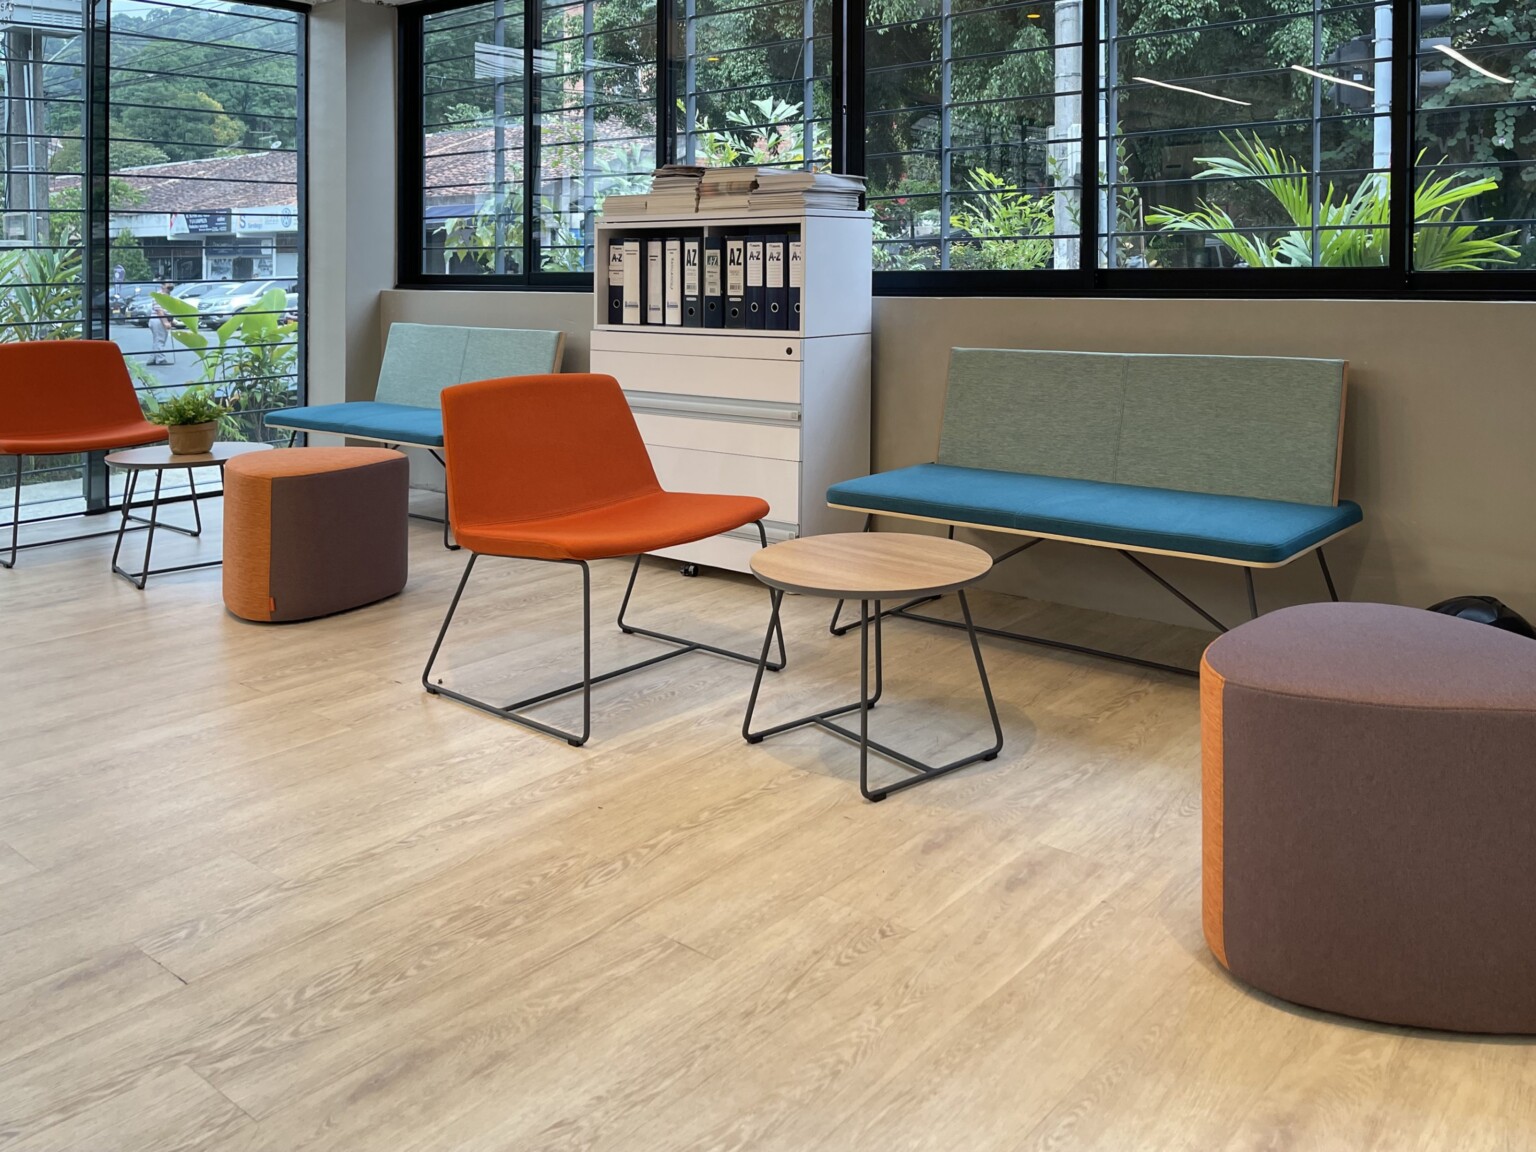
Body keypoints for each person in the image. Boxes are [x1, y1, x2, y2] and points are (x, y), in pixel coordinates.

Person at [151, 282, 175, 365]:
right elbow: (159, 310)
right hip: (159, 319)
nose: (171, 285)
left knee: (157, 339)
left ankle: (154, 358)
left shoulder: (167, 296)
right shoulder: (159, 296)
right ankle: (160, 359)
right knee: (160, 340)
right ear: (163, 286)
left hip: (160, 319)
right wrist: (165, 322)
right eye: (168, 284)